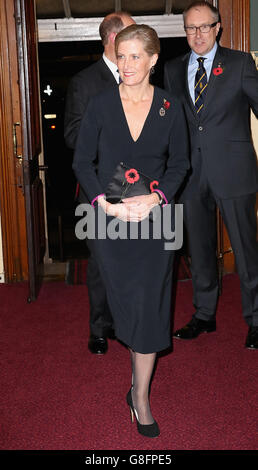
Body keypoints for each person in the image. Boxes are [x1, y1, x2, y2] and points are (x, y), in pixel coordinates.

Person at [73, 24, 189, 437]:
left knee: (151, 307)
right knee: (124, 304)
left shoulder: (170, 107)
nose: (127, 64)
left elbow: (180, 164)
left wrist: (157, 199)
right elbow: (82, 162)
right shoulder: (102, 105)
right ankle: (134, 377)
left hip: (157, 222)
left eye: (136, 56)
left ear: (154, 59)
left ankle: (140, 397)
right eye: (121, 56)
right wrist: (104, 204)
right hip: (109, 221)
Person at [164, 1, 258, 349]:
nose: (198, 34)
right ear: (185, 31)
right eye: (191, 28)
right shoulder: (173, 70)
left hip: (235, 172)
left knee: (246, 250)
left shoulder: (240, 63)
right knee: (200, 251)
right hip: (191, 175)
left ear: (218, 28)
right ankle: (204, 314)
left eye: (205, 26)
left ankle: (257, 318)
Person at [64, 12, 135, 355]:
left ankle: (127, 323)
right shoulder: (84, 81)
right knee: (100, 263)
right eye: (131, 33)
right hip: (98, 189)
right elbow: (73, 135)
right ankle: (99, 328)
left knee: (131, 260)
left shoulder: (140, 77)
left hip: (136, 189)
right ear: (113, 39)